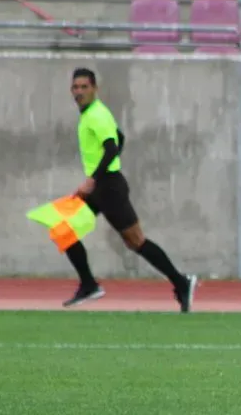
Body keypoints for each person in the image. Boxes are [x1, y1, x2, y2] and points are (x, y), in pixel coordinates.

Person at [63, 67, 197, 312]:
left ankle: (181, 282)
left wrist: (93, 180)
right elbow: (120, 138)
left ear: (94, 89)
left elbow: (113, 147)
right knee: (63, 228)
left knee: (135, 241)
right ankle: (88, 284)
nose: (79, 91)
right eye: (76, 87)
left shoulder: (96, 115)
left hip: (108, 187)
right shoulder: (92, 114)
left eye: (84, 87)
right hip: (102, 185)